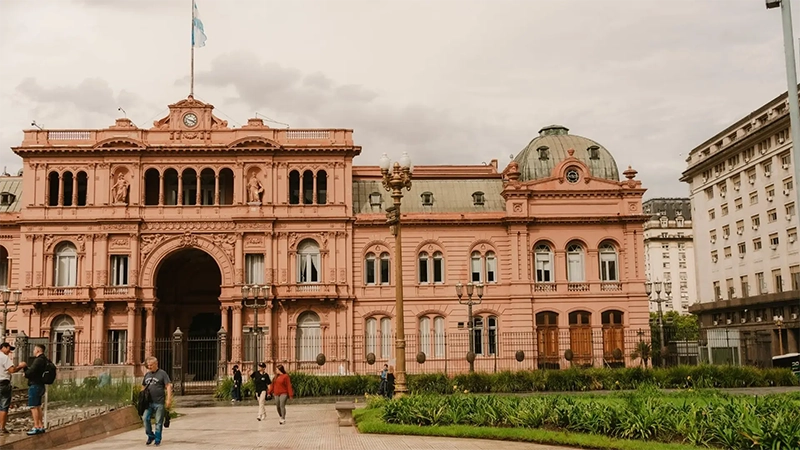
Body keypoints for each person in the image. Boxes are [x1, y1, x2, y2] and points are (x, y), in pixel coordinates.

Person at [141, 356, 173, 446]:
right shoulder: (147, 375)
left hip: (159, 402)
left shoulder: (162, 374)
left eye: (151, 365)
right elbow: (143, 386)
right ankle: (151, 435)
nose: (149, 367)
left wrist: (168, 399)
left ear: (156, 364)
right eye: (148, 365)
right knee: (145, 418)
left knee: (158, 421)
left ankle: (158, 438)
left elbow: (168, 386)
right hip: (148, 403)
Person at [0, 343, 25, 434]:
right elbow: (12, 370)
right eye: (9, 348)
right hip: (3, 383)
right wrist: (20, 366)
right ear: (3, 347)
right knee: (3, 406)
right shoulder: (4, 358)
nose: (10, 351)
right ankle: (1, 428)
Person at [23, 344, 47, 435]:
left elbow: (30, 373)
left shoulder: (38, 360)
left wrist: (25, 368)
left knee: (33, 407)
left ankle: (36, 426)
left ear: (37, 350)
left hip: (35, 385)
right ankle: (41, 426)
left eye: (34, 349)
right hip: (41, 385)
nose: (33, 351)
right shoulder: (45, 360)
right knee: (38, 406)